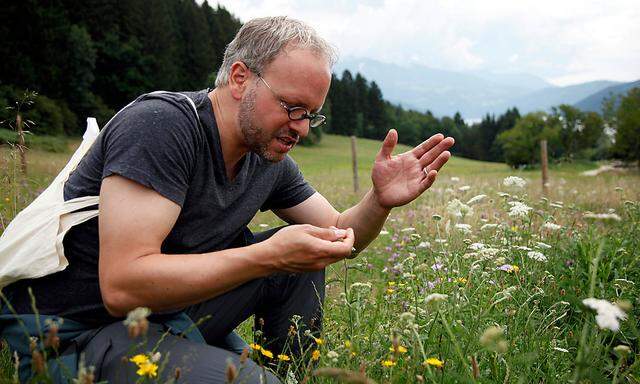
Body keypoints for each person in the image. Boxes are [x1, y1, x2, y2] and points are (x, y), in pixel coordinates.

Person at [1, 16, 454, 383]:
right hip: (79, 332)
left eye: (311, 115)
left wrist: (379, 201)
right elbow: (122, 287)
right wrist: (266, 256)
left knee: (307, 253)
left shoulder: (265, 156)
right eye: (292, 107)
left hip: (167, 315)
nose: (299, 127)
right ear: (240, 78)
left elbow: (340, 236)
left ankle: (286, 376)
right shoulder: (161, 127)